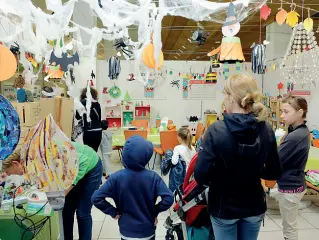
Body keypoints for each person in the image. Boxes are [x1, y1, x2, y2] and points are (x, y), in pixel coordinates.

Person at [194, 73, 282, 240]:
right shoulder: (266, 130)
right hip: (254, 205)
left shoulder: (215, 130)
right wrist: (254, 170)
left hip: (223, 207)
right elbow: (274, 172)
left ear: (232, 98)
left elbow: (200, 175)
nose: (224, 100)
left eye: (225, 95)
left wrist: (220, 176)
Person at [2, 142, 103, 240]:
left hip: (91, 167)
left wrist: (68, 188)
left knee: (82, 212)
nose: (10, 175)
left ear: (15, 163)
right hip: (73, 172)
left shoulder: (44, 153)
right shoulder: (31, 162)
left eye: (8, 172)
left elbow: (83, 162)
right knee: (66, 210)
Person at [92, 135, 174, 240]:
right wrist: (154, 211)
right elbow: (169, 198)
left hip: (126, 231)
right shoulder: (153, 177)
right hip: (147, 230)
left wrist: (113, 211)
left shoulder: (116, 178)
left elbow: (96, 198)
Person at [276, 96, 309, 240]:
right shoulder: (301, 131)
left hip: (290, 187)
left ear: (300, 112)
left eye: (286, 112)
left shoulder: (296, 136)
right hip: (293, 183)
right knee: (290, 225)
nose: (282, 116)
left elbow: (275, 161)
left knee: (289, 229)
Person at [76, 87, 102, 152]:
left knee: (88, 152)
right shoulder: (97, 104)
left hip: (88, 131)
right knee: (95, 152)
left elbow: (78, 117)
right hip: (98, 130)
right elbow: (99, 118)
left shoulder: (82, 103)